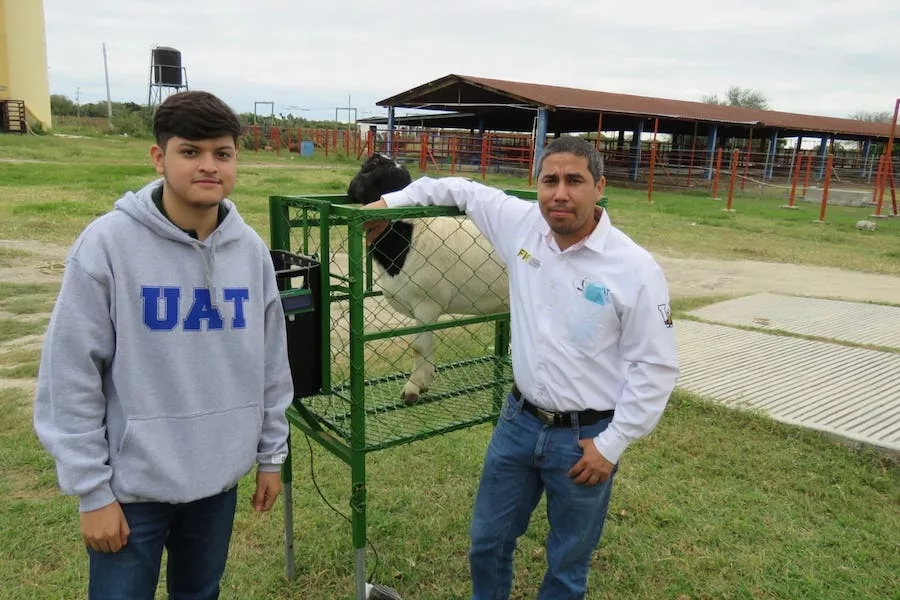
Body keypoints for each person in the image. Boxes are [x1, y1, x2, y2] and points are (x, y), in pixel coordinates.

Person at [362, 136, 679, 600]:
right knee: (487, 543)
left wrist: (613, 444)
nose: (560, 193)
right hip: (518, 422)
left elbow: (657, 367)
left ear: (599, 187)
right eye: (550, 180)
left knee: (567, 565)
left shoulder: (634, 268)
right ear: (537, 185)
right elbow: (457, 189)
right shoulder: (522, 224)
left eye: (575, 180)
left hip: (584, 439)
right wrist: (389, 202)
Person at [33, 90, 293, 600]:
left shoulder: (251, 253)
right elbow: (70, 373)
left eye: (222, 153)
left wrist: (269, 456)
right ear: (159, 157)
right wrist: (91, 492)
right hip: (132, 490)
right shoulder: (107, 245)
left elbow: (270, 365)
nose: (208, 166)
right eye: (190, 151)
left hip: (217, 482)